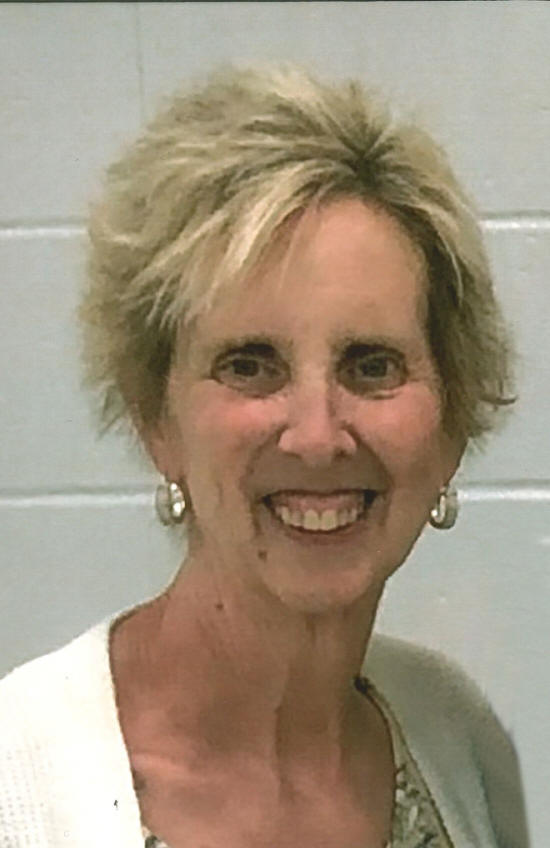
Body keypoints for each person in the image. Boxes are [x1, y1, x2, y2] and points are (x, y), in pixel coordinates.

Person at [0, 66, 528, 848]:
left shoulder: (457, 739)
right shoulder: (17, 786)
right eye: (249, 364)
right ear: (155, 417)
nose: (317, 436)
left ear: (451, 420)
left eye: (371, 364)